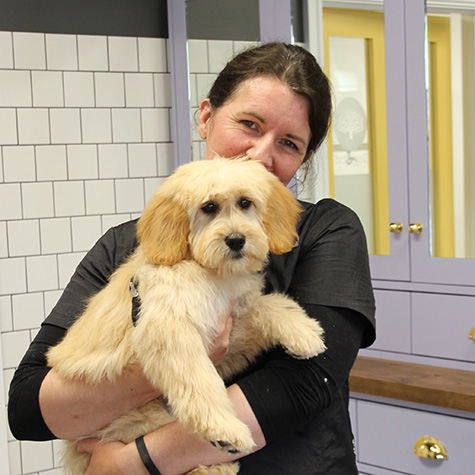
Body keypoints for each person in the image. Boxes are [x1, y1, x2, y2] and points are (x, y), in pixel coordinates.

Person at [8, 42, 375, 474]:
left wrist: (136, 461)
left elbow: (308, 382)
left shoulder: (329, 229)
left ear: (305, 157)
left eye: (289, 143)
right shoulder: (122, 246)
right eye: (249, 123)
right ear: (205, 116)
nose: (260, 153)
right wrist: (164, 356)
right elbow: (29, 409)